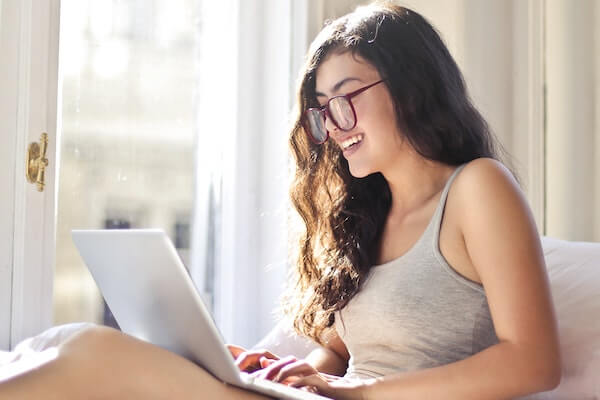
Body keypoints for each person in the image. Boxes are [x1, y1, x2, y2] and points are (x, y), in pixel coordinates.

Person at [0, 2, 561, 399]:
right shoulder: (371, 216)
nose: (335, 127)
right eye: (322, 108)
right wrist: (297, 374)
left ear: (413, 88)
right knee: (75, 342)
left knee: (95, 355)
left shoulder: (476, 189)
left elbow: (534, 362)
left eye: (348, 98)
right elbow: (342, 356)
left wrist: (363, 393)